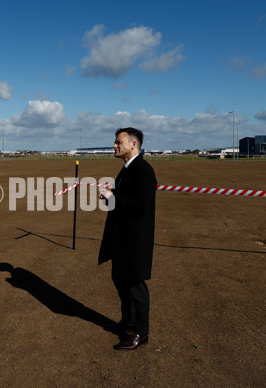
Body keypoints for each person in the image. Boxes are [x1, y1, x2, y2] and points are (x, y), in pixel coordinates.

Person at [98, 127, 157, 351]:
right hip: (121, 239)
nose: (114, 145)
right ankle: (128, 323)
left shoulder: (143, 170)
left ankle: (141, 333)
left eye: (118, 141)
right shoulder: (126, 169)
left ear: (133, 144)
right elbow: (124, 200)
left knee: (135, 287)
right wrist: (109, 197)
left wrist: (113, 197)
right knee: (121, 281)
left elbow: (141, 206)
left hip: (134, 241)